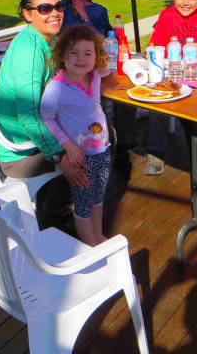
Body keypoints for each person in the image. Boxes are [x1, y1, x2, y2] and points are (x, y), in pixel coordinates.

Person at [0, 0, 89, 197]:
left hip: (26, 141)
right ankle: (63, 208)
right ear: (28, 14)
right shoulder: (29, 51)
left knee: (93, 129)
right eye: (45, 8)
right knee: (96, 143)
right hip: (19, 155)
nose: (54, 13)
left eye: (59, 6)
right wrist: (60, 156)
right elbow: (29, 117)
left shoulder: (38, 39)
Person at [40, 25, 111, 246]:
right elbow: (46, 118)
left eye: (88, 53)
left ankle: (98, 236)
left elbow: (111, 66)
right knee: (83, 204)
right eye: (74, 52)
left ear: (96, 57)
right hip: (80, 156)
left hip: (103, 151)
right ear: (63, 56)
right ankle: (92, 247)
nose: (81, 58)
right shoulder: (56, 88)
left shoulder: (95, 76)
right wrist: (67, 145)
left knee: (98, 198)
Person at [142, 0, 197, 175]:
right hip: (170, 74)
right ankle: (155, 153)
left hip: (195, 74)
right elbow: (156, 46)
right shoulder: (167, 15)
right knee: (157, 107)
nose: (185, 3)